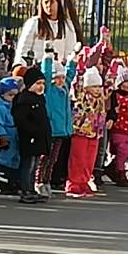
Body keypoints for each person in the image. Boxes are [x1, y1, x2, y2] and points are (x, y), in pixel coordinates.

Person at [12, 67, 52, 204]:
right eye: (38, 84)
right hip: (29, 138)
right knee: (28, 165)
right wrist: (32, 132)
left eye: (42, 83)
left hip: (38, 138)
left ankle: (31, 188)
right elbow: (21, 120)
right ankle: (25, 190)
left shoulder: (40, 99)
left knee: (34, 164)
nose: (41, 87)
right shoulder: (24, 100)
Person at [66, 69, 107, 197]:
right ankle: (74, 182)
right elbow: (75, 82)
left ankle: (84, 181)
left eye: (99, 86)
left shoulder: (100, 100)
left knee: (90, 159)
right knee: (78, 158)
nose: (97, 89)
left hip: (95, 133)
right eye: (94, 86)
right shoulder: (81, 97)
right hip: (80, 132)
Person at [41, 51, 77, 195]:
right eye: (58, 78)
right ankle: (39, 181)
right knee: (44, 159)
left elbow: (70, 75)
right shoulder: (49, 90)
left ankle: (46, 181)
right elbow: (46, 74)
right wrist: (48, 59)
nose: (61, 80)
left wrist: (72, 60)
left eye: (62, 77)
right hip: (51, 129)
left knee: (52, 160)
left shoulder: (65, 89)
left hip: (61, 130)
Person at [15, 0, 79, 66]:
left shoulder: (67, 25)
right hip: (36, 68)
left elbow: (70, 51)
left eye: (52, 2)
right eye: (45, 2)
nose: (48, 5)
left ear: (58, 3)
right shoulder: (34, 23)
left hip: (59, 70)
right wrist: (19, 67)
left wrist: (67, 62)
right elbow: (23, 49)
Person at [104, 68, 128, 186]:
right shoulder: (116, 95)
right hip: (118, 127)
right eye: (126, 81)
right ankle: (120, 172)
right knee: (122, 150)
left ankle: (111, 167)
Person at [0, 76, 22, 193]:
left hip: (15, 139)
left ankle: (12, 184)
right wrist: (0, 135)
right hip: (5, 140)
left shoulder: (16, 108)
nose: (12, 98)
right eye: (10, 95)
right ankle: (1, 185)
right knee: (1, 164)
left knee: (14, 163)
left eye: (15, 95)